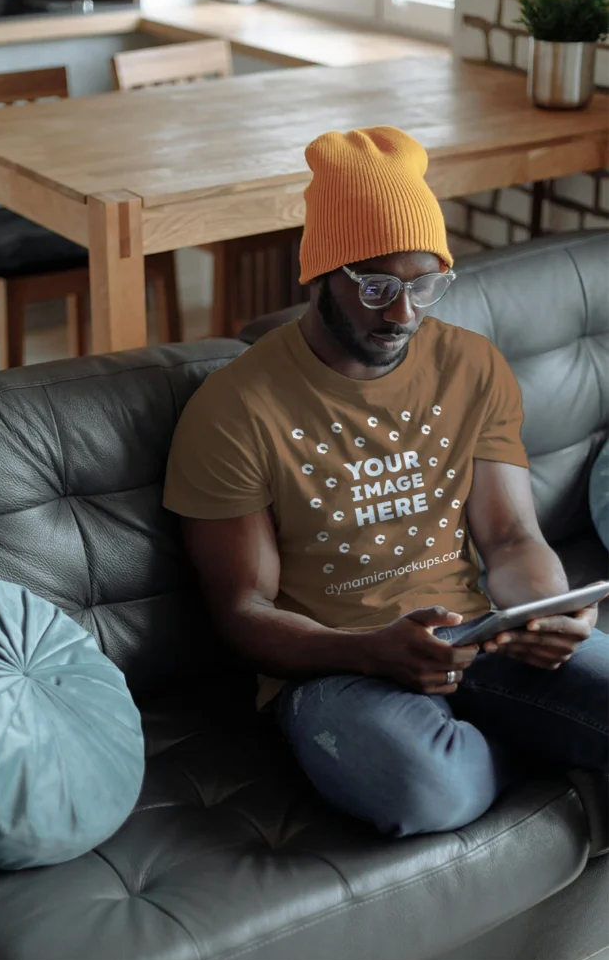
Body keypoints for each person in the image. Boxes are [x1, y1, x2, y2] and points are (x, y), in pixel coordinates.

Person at [163, 125, 608, 837]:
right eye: (375, 287)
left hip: (478, 639)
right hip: (335, 669)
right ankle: (546, 745)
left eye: (423, 284)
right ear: (317, 276)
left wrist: (546, 612)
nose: (402, 314)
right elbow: (243, 611)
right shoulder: (233, 410)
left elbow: (509, 535)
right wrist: (368, 649)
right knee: (426, 791)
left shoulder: (470, 365)